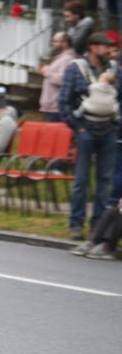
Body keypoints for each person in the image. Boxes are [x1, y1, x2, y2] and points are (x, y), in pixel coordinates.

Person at [58, 31, 122, 240]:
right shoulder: (76, 68)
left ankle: (97, 225)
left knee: (104, 179)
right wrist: (77, 127)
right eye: (105, 47)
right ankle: (76, 224)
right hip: (85, 129)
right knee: (82, 179)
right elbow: (64, 101)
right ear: (94, 47)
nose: (109, 51)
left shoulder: (114, 69)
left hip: (108, 130)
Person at [39, 32, 78, 122]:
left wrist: (47, 72)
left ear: (65, 43)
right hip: (52, 106)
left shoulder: (68, 58)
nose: (53, 44)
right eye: (54, 41)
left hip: (57, 107)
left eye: (56, 41)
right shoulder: (60, 57)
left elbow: (63, 79)